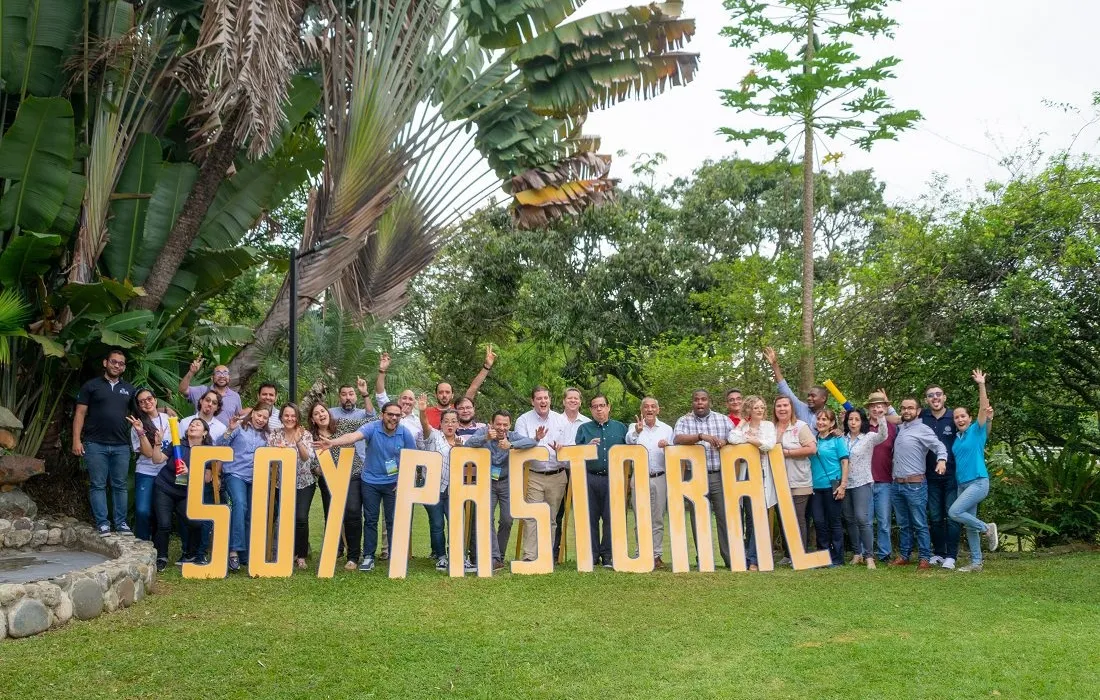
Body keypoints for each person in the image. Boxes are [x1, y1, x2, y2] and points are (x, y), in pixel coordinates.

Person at [313, 402, 416, 573]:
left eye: (397, 415)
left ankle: (395, 556)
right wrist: (333, 443)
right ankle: (368, 556)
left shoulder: (404, 432)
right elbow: (353, 437)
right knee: (370, 520)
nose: (394, 418)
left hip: (393, 484)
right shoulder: (373, 427)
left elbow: (413, 458)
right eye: (390, 414)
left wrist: (404, 480)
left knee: (392, 520)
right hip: (370, 482)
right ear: (383, 415)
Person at [130, 415, 211, 570]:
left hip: (186, 493)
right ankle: (161, 557)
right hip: (165, 488)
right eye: (191, 424)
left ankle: (191, 555)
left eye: (198, 424)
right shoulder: (177, 445)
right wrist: (158, 443)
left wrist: (190, 472)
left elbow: (207, 478)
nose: (193, 426)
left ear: (205, 433)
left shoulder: (207, 452)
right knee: (164, 524)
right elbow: (157, 459)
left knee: (195, 522)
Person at [73, 348, 138, 537]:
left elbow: (141, 412)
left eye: (121, 363)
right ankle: (102, 523)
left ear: (124, 367)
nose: (117, 365)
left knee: (120, 485)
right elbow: (79, 414)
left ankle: (121, 523)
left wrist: (164, 410)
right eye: (114, 362)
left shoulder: (129, 389)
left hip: (121, 445)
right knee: (98, 485)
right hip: (95, 444)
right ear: (105, 363)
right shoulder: (91, 386)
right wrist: (76, 440)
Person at [465, 411, 537, 570]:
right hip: (487, 483)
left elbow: (532, 442)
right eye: (498, 424)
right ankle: (494, 557)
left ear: (509, 425)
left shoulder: (512, 436)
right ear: (491, 423)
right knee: (486, 519)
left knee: (507, 520)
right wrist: (486, 438)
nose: (501, 428)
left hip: (506, 483)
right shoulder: (484, 432)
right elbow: (467, 445)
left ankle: (499, 556)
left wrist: (511, 445)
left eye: (505, 424)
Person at [673, 390, 735, 569]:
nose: (700, 402)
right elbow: (678, 439)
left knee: (724, 517)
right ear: (692, 402)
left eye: (703, 399)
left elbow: (737, 438)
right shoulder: (684, 420)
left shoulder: (723, 420)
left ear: (710, 401)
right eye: (696, 400)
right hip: (694, 477)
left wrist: (726, 441)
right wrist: (701, 436)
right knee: (698, 518)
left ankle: (730, 558)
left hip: (718, 475)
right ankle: (704, 559)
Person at [948, 369, 999, 572]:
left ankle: (987, 528)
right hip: (963, 484)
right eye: (956, 418)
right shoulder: (957, 439)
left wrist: (981, 384)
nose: (959, 420)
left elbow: (984, 408)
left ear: (970, 418)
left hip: (978, 481)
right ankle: (977, 563)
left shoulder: (976, 431)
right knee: (968, 525)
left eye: (963, 416)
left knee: (954, 511)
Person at [889, 397, 948, 570]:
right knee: (903, 524)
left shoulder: (923, 429)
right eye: (904, 408)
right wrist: (887, 403)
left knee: (920, 523)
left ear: (918, 411)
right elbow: (890, 415)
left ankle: (924, 557)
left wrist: (942, 461)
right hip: (897, 485)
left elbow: (939, 447)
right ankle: (905, 555)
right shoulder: (901, 428)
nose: (906, 411)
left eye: (910, 408)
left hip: (915, 485)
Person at [513, 386, 568, 563]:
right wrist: (535, 440)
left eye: (545, 398)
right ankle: (530, 556)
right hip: (533, 475)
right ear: (532, 401)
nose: (543, 401)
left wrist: (562, 450)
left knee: (551, 518)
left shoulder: (561, 420)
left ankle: (546, 557)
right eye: (539, 398)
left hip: (557, 475)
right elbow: (519, 445)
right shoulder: (523, 420)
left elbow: (569, 447)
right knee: (531, 516)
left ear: (550, 400)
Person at [308, 403, 365, 571]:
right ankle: (332, 551)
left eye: (323, 411)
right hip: (328, 479)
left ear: (328, 413)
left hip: (352, 475)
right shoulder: (311, 437)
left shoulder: (343, 424)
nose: (320, 415)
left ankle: (354, 556)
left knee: (353, 512)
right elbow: (312, 463)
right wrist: (320, 469)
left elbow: (366, 426)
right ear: (313, 419)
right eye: (316, 413)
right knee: (332, 515)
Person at [217, 404, 272, 572]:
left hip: (256, 478)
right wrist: (229, 429)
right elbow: (220, 445)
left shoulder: (267, 436)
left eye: (265, 418)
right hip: (235, 474)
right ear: (252, 413)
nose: (261, 420)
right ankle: (233, 551)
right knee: (240, 505)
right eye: (259, 415)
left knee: (251, 514)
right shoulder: (239, 427)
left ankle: (245, 554)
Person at [575, 395, 628, 568]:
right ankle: (592, 554)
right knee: (590, 517)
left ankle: (607, 555)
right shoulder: (584, 429)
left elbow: (630, 449)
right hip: (590, 477)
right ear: (590, 410)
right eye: (595, 406)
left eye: (602, 405)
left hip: (613, 478)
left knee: (610, 518)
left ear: (608, 407)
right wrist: (587, 447)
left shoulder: (621, 428)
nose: (599, 409)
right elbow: (576, 454)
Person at [727, 395, 777, 571]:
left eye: (762, 407)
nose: (760, 410)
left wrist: (749, 440)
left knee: (758, 517)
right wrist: (742, 424)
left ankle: (753, 559)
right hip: (746, 474)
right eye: (756, 408)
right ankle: (747, 557)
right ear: (749, 409)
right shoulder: (744, 426)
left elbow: (768, 444)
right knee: (748, 517)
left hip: (762, 473)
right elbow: (732, 439)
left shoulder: (768, 426)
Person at [418, 404, 467, 572]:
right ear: (441, 423)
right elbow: (425, 425)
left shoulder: (463, 442)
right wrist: (422, 411)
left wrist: (461, 452)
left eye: (454, 421)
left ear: (458, 424)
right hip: (433, 488)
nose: (450, 424)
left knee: (455, 522)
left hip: (453, 490)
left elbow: (466, 467)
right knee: (437, 524)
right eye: (446, 421)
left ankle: (456, 554)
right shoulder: (434, 436)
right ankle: (441, 556)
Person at [626, 397, 674, 569]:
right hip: (639, 477)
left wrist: (668, 446)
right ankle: (641, 553)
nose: (649, 409)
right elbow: (628, 442)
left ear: (658, 410)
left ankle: (656, 555)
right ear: (641, 410)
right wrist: (637, 432)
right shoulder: (634, 427)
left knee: (658, 518)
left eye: (653, 406)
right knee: (640, 517)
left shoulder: (667, 429)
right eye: (646, 407)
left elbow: (674, 452)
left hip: (660, 477)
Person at [267, 404, 315, 570]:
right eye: (286, 415)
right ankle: (286, 552)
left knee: (301, 518)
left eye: (293, 416)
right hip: (282, 483)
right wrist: (278, 452)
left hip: (304, 483)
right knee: (285, 518)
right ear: (281, 417)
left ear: (297, 418)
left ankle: (301, 555)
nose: (289, 419)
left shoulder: (305, 434)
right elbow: (268, 459)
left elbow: (305, 458)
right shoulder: (274, 434)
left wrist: (298, 441)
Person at [921, 382, 961, 569]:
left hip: (952, 474)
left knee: (952, 515)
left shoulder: (954, 417)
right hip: (930, 475)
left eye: (938, 394)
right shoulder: (922, 417)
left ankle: (951, 556)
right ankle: (938, 553)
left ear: (944, 397)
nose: (935, 397)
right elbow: (899, 418)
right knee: (935, 517)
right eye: (931, 395)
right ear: (927, 400)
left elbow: (976, 432)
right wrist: (886, 405)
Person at [842, 407, 889, 568]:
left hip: (862, 482)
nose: (853, 422)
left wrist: (881, 417)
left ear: (862, 421)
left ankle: (869, 556)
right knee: (849, 519)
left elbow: (883, 435)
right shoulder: (842, 438)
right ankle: (857, 553)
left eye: (856, 419)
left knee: (862, 518)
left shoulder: (868, 437)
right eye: (850, 419)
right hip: (844, 484)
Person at [773, 396, 817, 564]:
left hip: (799, 480)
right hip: (777, 481)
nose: (782, 409)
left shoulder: (800, 427)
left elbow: (812, 448)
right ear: (775, 409)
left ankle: (800, 554)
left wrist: (787, 453)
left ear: (791, 408)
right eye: (779, 406)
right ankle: (787, 554)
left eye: (785, 405)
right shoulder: (771, 428)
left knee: (798, 519)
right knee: (783, 518)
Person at [551, 387, 590, 561]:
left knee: (584, 512)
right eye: (569, 398)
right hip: (561, 470)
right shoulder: (555, 420)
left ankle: (586, 553)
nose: (573, 401)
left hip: (581, 472)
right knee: (557, 513)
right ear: (563, 401)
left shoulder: (587, 423)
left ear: (580, 401)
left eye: (576, 398)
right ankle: (554, 552)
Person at [808, 409, 850, 566]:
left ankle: (837, 558)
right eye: (819, 419)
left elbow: (845, 462)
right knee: (819, 522)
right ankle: (823, 556)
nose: (821, 422)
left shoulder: (837, 440)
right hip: (815, 488)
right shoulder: (813, 440)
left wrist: (843, 485)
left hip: (832, 485)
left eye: (825, 419)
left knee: (834, 522)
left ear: (832, 423)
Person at [128, 388, 170, 541]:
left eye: (149, 398)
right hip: (146, 471)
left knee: (161, 512)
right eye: (142, 401)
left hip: (166, 472)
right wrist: (140, 432)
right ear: (138, 406)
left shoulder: (168, 419)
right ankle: (143, 543)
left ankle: (159, 547)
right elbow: (148, 454)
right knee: (142, 510)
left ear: (155, 400)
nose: (147, 402)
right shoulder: (137, 425)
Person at [423, 345, 496, 429]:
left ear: (452, 395)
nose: (444, 395)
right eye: (440, 392)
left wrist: (486, 366)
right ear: (436, 395)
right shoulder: (426, 412)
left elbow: (473, 388)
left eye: (447, 392)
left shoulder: (458, 409)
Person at [865, 391, 898, 564]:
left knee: (884, 521)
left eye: (880, 406)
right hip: (865, 481)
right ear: (868, 409)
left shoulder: (893, 428)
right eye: (873, 406)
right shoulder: (863, 427)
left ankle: (884, 554)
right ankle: (866, 553)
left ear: (885, 408)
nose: (876, 409)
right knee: (866, 521)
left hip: (885, 480)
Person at [762, 347, 828, 434]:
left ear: (823, 398)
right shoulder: (802, 408)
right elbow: (784, 389)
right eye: (808, 395)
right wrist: (774, 364)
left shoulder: (829, 416)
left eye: (813, 396)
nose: (809, 398)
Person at [179, 357, 242, 426]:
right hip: (200, 434)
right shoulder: (202, 390)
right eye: (218, 373)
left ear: (229, 378)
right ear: (212, 378)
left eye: (225, 373)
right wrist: (191, 372)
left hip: (224, 436)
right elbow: (183, 389)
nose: (222, 376)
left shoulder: (235, 397)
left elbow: (238, 418)